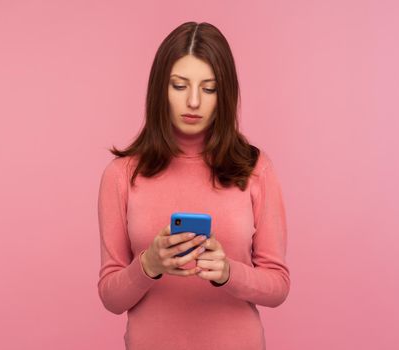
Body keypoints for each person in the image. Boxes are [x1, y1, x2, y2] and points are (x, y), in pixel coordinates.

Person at [97, 21, 290, 350]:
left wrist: (228, 272)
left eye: (209, 88)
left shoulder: (256, 169)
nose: (194, 102)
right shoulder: (121, 174)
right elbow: (111, 298)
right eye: (179, 85)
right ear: (161, 89)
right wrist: (149, 265)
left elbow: (278, 285)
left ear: (224, 94)